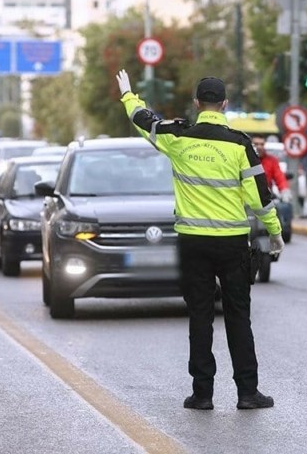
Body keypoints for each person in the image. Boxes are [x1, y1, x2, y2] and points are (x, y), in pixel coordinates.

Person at [116, 70, 283, 410]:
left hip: (193, 243)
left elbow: (143, 120)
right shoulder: (240, 144)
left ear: (197, 103)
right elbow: (259, 199)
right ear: (225, 104)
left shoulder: (178, 137)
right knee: (238, 316)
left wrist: (128, 95)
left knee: (200, 316)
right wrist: (275, 233)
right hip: (232, 242)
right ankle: (247, 393)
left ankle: (202, 394)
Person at [251, 134, 293, 239]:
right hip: (246, 198)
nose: (259, 147)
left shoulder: (272, 160)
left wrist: (285, 191)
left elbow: (280, 177)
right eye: (256, 144)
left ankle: (279, 232)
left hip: (266, 196)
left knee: (282, 207)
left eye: (262, 144)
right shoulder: (243, 159)